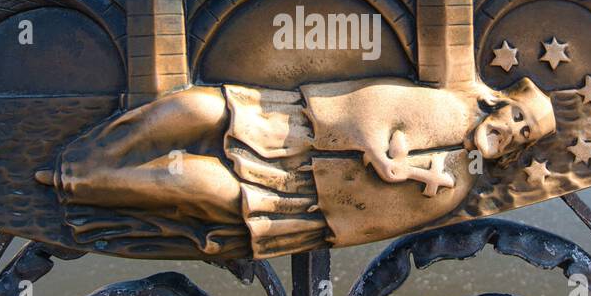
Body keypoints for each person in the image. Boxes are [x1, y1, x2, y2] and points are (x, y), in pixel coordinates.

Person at [36, 75, 556, 258]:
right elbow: (372, 104)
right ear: (500, 104)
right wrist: (379, 150)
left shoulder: (457, 185)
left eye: (524, 132)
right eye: (516, 115)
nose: (513, 129)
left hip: (294, 196)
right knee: (191, 107)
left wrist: (393, 177)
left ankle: (82, 183)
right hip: (294, 126)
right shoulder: (448, 105)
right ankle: (85, 155)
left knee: (188, 182)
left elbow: (372, 221)